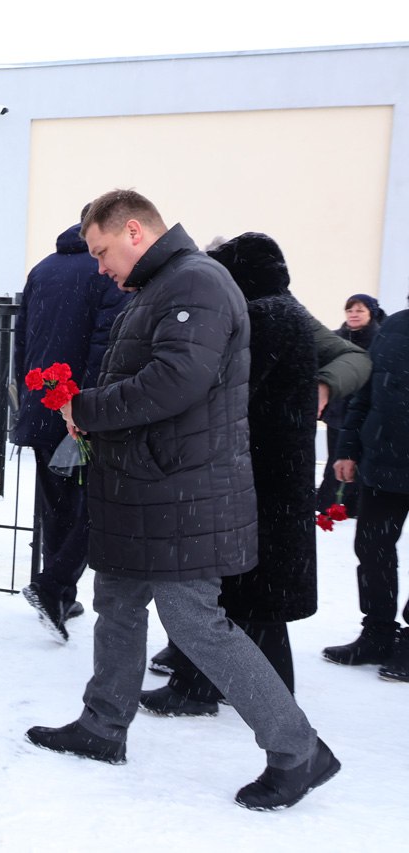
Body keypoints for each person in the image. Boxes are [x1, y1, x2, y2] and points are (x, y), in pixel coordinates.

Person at [24, 190, 339, 811]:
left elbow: (176, 381)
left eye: (102, 251)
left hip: (181, 492)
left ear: (135, 231)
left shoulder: (196, 283)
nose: (99, 266)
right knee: (116, 599)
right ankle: (102, 725)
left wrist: (87, 408)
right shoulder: (163, 286)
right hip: (147, 487)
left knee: (195, 620)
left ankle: (297, 748)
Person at [140, 233, 317, 714]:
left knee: (235, 590)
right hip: (277, 470)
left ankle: (202, 689)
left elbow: (224, 392)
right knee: (255, 596)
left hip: (258, 471)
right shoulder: (288, 312)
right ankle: (260, 690)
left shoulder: (262, 318)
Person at [12, 205, 131, 641]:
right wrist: (89, 407)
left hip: (44, 400)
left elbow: (22, 337)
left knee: (56, 503)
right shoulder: (106, 272)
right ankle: (53, 586)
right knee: (92, 505)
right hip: (82, 408)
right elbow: (107, 346)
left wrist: (33, 395)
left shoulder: (43, 269)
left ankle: (61, 592)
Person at [324, 307, 409, 679]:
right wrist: (348, 449)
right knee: (372, 548)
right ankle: (377, 631)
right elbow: (366, 393)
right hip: (383, 460)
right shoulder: (395, 325)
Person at [317, 293, 386, 516]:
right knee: (335, 458)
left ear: (371, 314)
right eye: (350, 311)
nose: (354, 315)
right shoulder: (336, 338)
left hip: (365, 411)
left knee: (360, 459)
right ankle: (330, 503)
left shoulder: (380, 339)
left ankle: (355, 504)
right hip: (338, 411)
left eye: (360, 311)